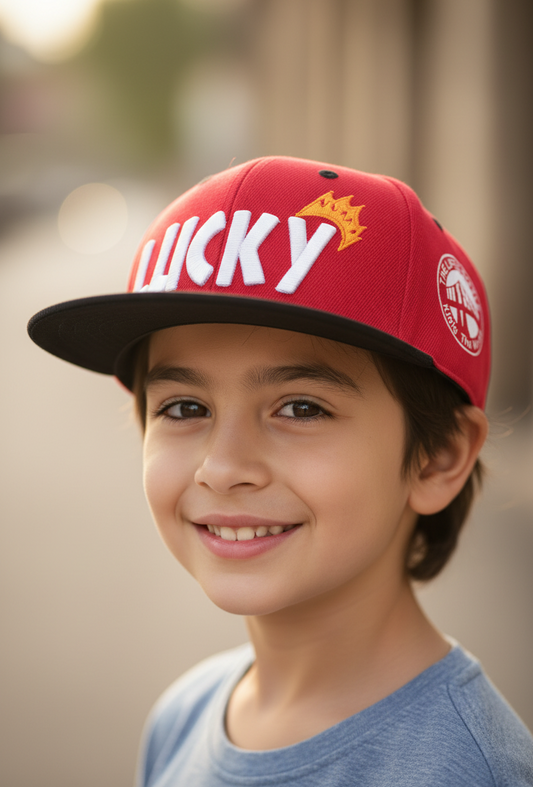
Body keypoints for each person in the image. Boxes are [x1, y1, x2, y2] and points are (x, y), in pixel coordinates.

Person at [28, 156, 533, 785]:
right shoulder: (182, 717)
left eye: (300, 407)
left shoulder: (468, 771)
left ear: (439, 456)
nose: (222, 467)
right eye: (185, 408)